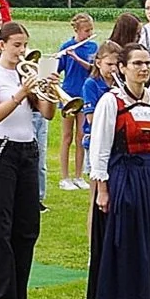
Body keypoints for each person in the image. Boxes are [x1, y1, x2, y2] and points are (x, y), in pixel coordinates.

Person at [83, 43, 150, 299]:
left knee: (149, 243)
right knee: (124, 242)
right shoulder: (111, 102)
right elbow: (99, 149)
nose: (144, 68)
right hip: (122, 174)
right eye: (137, 63)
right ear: (122, 68)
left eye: (147, 63)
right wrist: (102, 188)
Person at [0, 21, 47, 299]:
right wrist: (20, 92)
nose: (21, 51)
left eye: (24, 45)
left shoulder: (27, 74)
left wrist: (47, 88)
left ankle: (20, 295)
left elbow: (49, 113)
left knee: (27, 226)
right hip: (0, 150)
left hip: (27, 150)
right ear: (2, 45)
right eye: (16, 45)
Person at [54, 13, 99, 191]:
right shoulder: (66, 46)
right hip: (69, 95)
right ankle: (65, 177)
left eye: (90, 30)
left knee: (81, 137)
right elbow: (57, 70)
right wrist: (63, 56)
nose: (89, 34)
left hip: (85, 95)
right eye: (86, 30)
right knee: (66, 137)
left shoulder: (92, 47)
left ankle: (79, 176)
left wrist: (76, 58)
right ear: (77, 30)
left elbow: (93, 69)